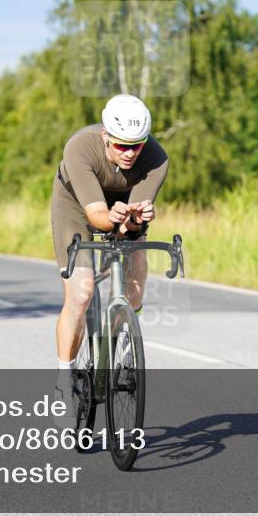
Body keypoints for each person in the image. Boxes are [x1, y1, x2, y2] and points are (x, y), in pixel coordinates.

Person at [50, 94, 168, 415]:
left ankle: (127, 334)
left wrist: (135, 218)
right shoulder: (80, 147)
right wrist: (112, 218)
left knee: (137, 253)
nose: (130, 153)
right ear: (105, 136)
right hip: (78, 205)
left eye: (137, 145)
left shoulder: (157, 158)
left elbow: (127, 228)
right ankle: (64, 379)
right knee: (82, 289)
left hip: (123, 204)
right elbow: (97, 217)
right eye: (121, 145)